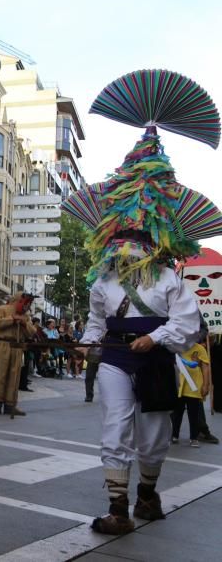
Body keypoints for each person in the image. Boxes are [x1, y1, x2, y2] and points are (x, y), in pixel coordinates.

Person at [70, 69, 214, 535]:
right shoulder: (102, 281)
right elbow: (95, 321)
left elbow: (188, 324)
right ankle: (117, 507)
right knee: (114, 429)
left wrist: (155, 338)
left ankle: (148, 495)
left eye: (135, 234)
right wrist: (87, 342)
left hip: (153, 361)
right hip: (114, 360)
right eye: (120, 235)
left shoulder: (169, 276)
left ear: (152, 236)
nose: (125, 243)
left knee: (152, 438)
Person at [0, 292, 36, 416]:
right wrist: (13, 319)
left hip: (17, 346)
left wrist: (24, 323)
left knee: (14, 375)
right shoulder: (2, 309)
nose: (28, 306)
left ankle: (10, 404)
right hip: (3, 343)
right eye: (27, 303)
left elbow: (32, 332)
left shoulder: (26, 315)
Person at [171, 333, 211, 447]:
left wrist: (206, 385)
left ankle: (194, 437)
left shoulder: (200, 348)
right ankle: (174, 435)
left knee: (194, 414)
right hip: (179, 385)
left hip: (194, 386)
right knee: (177, 412)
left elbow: (205, 366)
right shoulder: (176, 347)